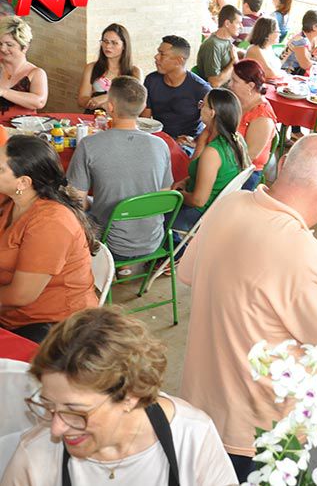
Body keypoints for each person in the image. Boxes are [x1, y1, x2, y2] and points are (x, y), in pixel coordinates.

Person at [178, 134, 317, 482]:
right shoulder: (301, 250)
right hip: (260, 431)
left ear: (285, 166)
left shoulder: (229, 204)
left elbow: (188, 273)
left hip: (202, 407)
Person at [0, 308, 237, 485]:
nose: (56, 428)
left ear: (130, 396)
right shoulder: (35, 456)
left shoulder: (192, 436)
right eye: (49, 406)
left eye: (75, 412)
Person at [0, 136, 97, 343]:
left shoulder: (51, 223)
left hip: (51, 325)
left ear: (23, 182)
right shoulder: (12, 199)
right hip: (12, 313)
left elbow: (21, 295)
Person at [67, 76, 173, 263]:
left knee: (67, 206)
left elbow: (77, 201)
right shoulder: (161, 145)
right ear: (142, 106)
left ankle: (100, 269)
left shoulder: (89, 145)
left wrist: (92, 202)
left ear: (110, 107)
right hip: (154, 241)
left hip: (110, 244)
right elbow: (163, 196)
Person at [170, 89, 248, 246]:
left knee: (154, 214)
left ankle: (176, 251)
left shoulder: (212, 153)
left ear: (212, 113)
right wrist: (186, 181)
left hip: (199, 214)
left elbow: (198, 200)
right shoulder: (237, 139)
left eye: (203, 104)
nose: (200, 107)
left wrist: (176, 194)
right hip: (218, 209)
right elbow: (198, 170)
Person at [142, 35, 211, 142]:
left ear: (179, 61)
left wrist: (194, 142)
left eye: (162, 54)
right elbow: (145, 120)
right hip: (159, 140)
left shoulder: (201, 88)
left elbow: (214, 125)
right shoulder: (151, 80)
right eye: (158, 52)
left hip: (188, 143)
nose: (156, 57)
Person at [229, 60, 277, 189]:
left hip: (245, 171)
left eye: (234, 81)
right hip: (228, 158)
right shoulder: (238, 101)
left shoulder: (262, 116)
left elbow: (249, 156)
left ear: (250, 85)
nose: (229, 85)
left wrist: (216, 165)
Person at [77, 24, 142, 114]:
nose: (108, 46)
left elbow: (136, 101)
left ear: (124, 46)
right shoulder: (91, 67)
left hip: (122, 118)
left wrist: (106, 97)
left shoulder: (135, 72)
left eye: (114, 43)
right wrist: (98, 104)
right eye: (105, 41)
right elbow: (81, 99)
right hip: (95, 117)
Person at [0, 16, 47, 120]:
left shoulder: (36, 73)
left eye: (9, 45)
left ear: (25, 47)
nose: (2, 48)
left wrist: (3, 92)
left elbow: (39, 102)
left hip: (22, 129)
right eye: (0, 43)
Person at [196, 4, 243, 88]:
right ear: (227, 23)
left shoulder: (225, 40)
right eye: (238, 23)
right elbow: (214, 83)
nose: (241, 27)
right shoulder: (212, 45)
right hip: (221, 93)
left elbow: (230, 52)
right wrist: (234, 62)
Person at [280, 10, 317, 76]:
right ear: (315, 27)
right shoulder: (299, 40)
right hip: (287, 75)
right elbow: (306, 65)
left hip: (304, 75)